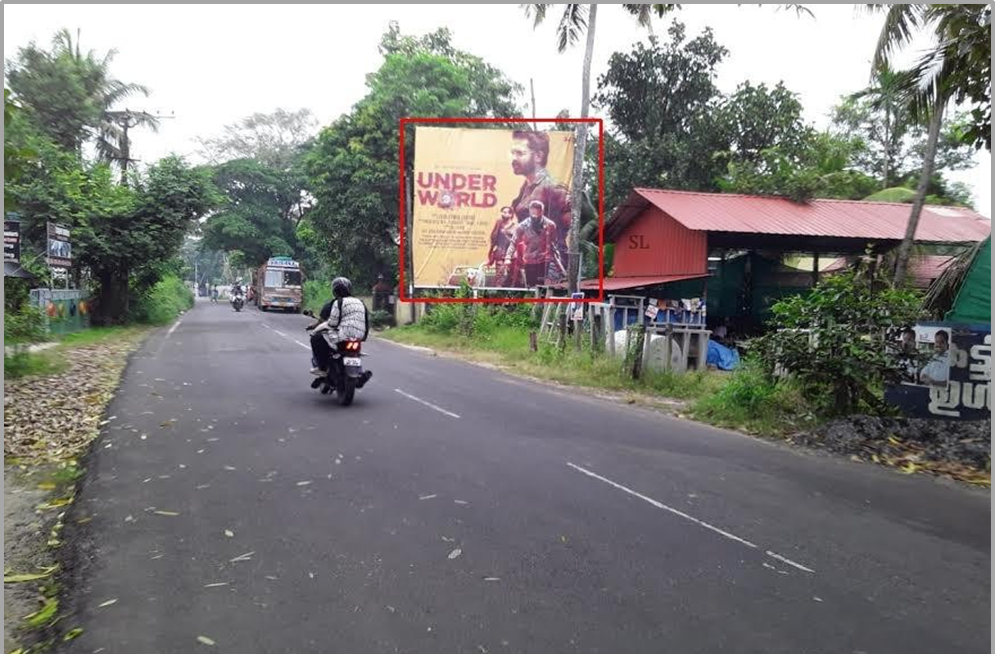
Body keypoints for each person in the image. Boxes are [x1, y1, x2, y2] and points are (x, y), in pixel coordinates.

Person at [509, 130, 572, 268]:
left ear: (538, 156)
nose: (513, 158)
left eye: (520, 153)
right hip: (530, 259)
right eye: (512, 153)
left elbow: (570, 225)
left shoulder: (553, 188)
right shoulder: (526, 188)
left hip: (549, 264)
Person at [307, 277, 369, 376]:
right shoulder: (360, 302)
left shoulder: (336, 303)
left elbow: (332, 323)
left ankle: (322, 368)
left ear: (334, 291)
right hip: (359, 335)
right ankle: (358, 371)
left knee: (316, 339)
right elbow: (366, 320)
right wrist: (363, 336)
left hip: (341, 334)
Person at [504, 200, 563, 288]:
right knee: (531, 287)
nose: (535, 219)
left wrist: (557, 261)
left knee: (544, 287)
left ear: (542, 212)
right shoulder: (522, 226)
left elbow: (553, 243)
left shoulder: (550, 225)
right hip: (529, 260)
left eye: (537, 216)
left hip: (545, 261)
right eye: (533, 216)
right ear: (529, 212)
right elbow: (513, 243)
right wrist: (508, 258)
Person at [487, 206, 518, 285]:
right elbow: (493, 238)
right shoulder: (498, 224)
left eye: (505, 212)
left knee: (511, 278)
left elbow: (517, 242)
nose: (503, 214)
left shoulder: (515, 227)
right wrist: (491, 254)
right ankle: (498, 294)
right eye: (502, 212)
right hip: (499, 254)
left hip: (511, 256)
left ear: (510, 214)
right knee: (499, 277)